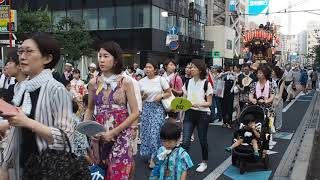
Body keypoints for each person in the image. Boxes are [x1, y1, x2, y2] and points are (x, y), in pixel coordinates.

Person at [0, 33, 74, 179]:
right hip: (21, 166)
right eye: (21, 51)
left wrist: (27, 122)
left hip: (47, 170)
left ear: (47, 58)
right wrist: (8, 124)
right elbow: (18, 129)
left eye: (29, 51)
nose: (22, 56)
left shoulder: (57, 90)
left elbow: (66, 139)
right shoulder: (22, 89)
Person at [84, 41, 139, 179]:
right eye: (100, 56)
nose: (101, 59)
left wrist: (114, 132)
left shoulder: (126, 82)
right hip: (99, 135)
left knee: (118, 172)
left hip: (121, 133)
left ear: (115, 60)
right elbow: (90, 109)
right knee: (100, 172)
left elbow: (135, 112)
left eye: (106, 56)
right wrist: (88, 130)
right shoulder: (93, 83)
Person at [181, 59, 213, 173]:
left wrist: (198, 104)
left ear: (200, 70)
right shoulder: (187, 82)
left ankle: (204, 162)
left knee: (202, 140)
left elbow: (209, 103)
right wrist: (179, 105)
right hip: (189, 113)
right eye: (190, 67)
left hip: (202, 114)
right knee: (185, 140)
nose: (190, 69)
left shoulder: (206, 83)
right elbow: (184, 99)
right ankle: (183, 162)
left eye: (193, 67)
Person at [139, 61, 172, 166]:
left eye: (150, 67)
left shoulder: (161, 80)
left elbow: (168, 92)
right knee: (146, 133)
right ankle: (151, 155)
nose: (147, 69)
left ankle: (154, 159)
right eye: (146, 67)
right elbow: (139, 97)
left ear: (155, 69)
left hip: (158, 108)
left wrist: (161, 96)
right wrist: (143, 97)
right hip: (147, 108)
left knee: (155, 133)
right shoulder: (141, 81)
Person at [272, 66, 285, 131]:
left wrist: (277, 102)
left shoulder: (281, 81)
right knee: (271, 115)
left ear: (276, 72)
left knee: (278, 114)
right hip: (271, 99)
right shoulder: (269, 80)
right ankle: (272, 127)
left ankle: (278, 127)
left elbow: (280, 93)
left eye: (273, 71)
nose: (272, 72)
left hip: (278, 100)